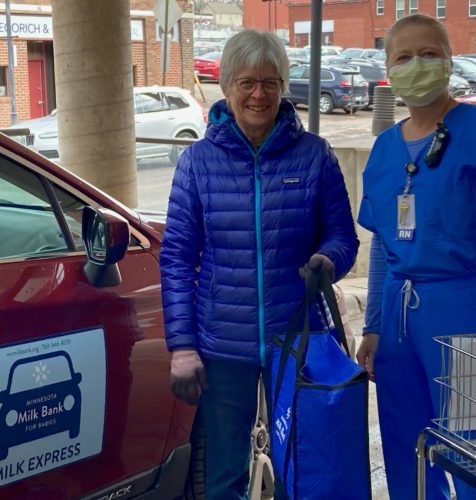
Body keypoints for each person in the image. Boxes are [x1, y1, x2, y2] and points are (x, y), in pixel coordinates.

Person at [160, 29, 359, 499]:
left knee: (303, 462)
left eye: (270, 82)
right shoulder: (197, 163)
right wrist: (182, 347)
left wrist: (328, 259)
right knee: (224, 472)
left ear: (283, 87)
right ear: (226, 87)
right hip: (223, 344)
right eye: (247, 82)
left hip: (298, 338)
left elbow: (343, 235)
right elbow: (176, 260)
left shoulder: (314, 156)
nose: (258, 94)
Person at [357, 14, 476, 500]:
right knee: (405, 446)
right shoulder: (385, 148)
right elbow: (384, 246)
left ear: (449, 61)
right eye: (403, 57)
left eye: (428, 53)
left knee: (467, 445)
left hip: (462, 317)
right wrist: (373, 325)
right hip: (398, 323)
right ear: (388, 69)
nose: (416, 65)